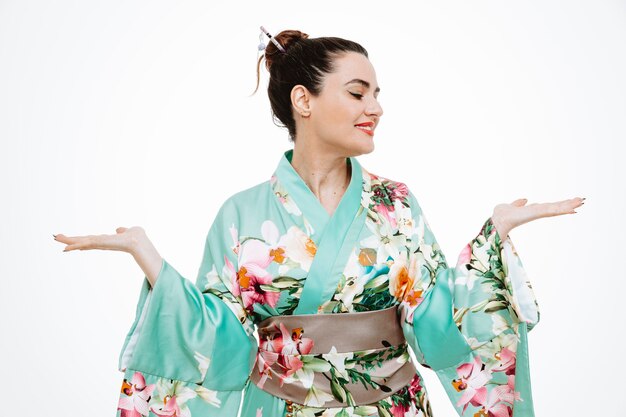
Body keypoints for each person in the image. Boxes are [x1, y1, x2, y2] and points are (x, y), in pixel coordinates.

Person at [54, 27, 584, 417]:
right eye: (358, 92)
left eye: (376, 94)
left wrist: (492, 238)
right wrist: (152, 262)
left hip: (390, 409)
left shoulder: (396, 204)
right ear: (303, 101)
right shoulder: (241, 215)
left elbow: (437, 322)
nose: (374, 106)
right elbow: (223, 345)